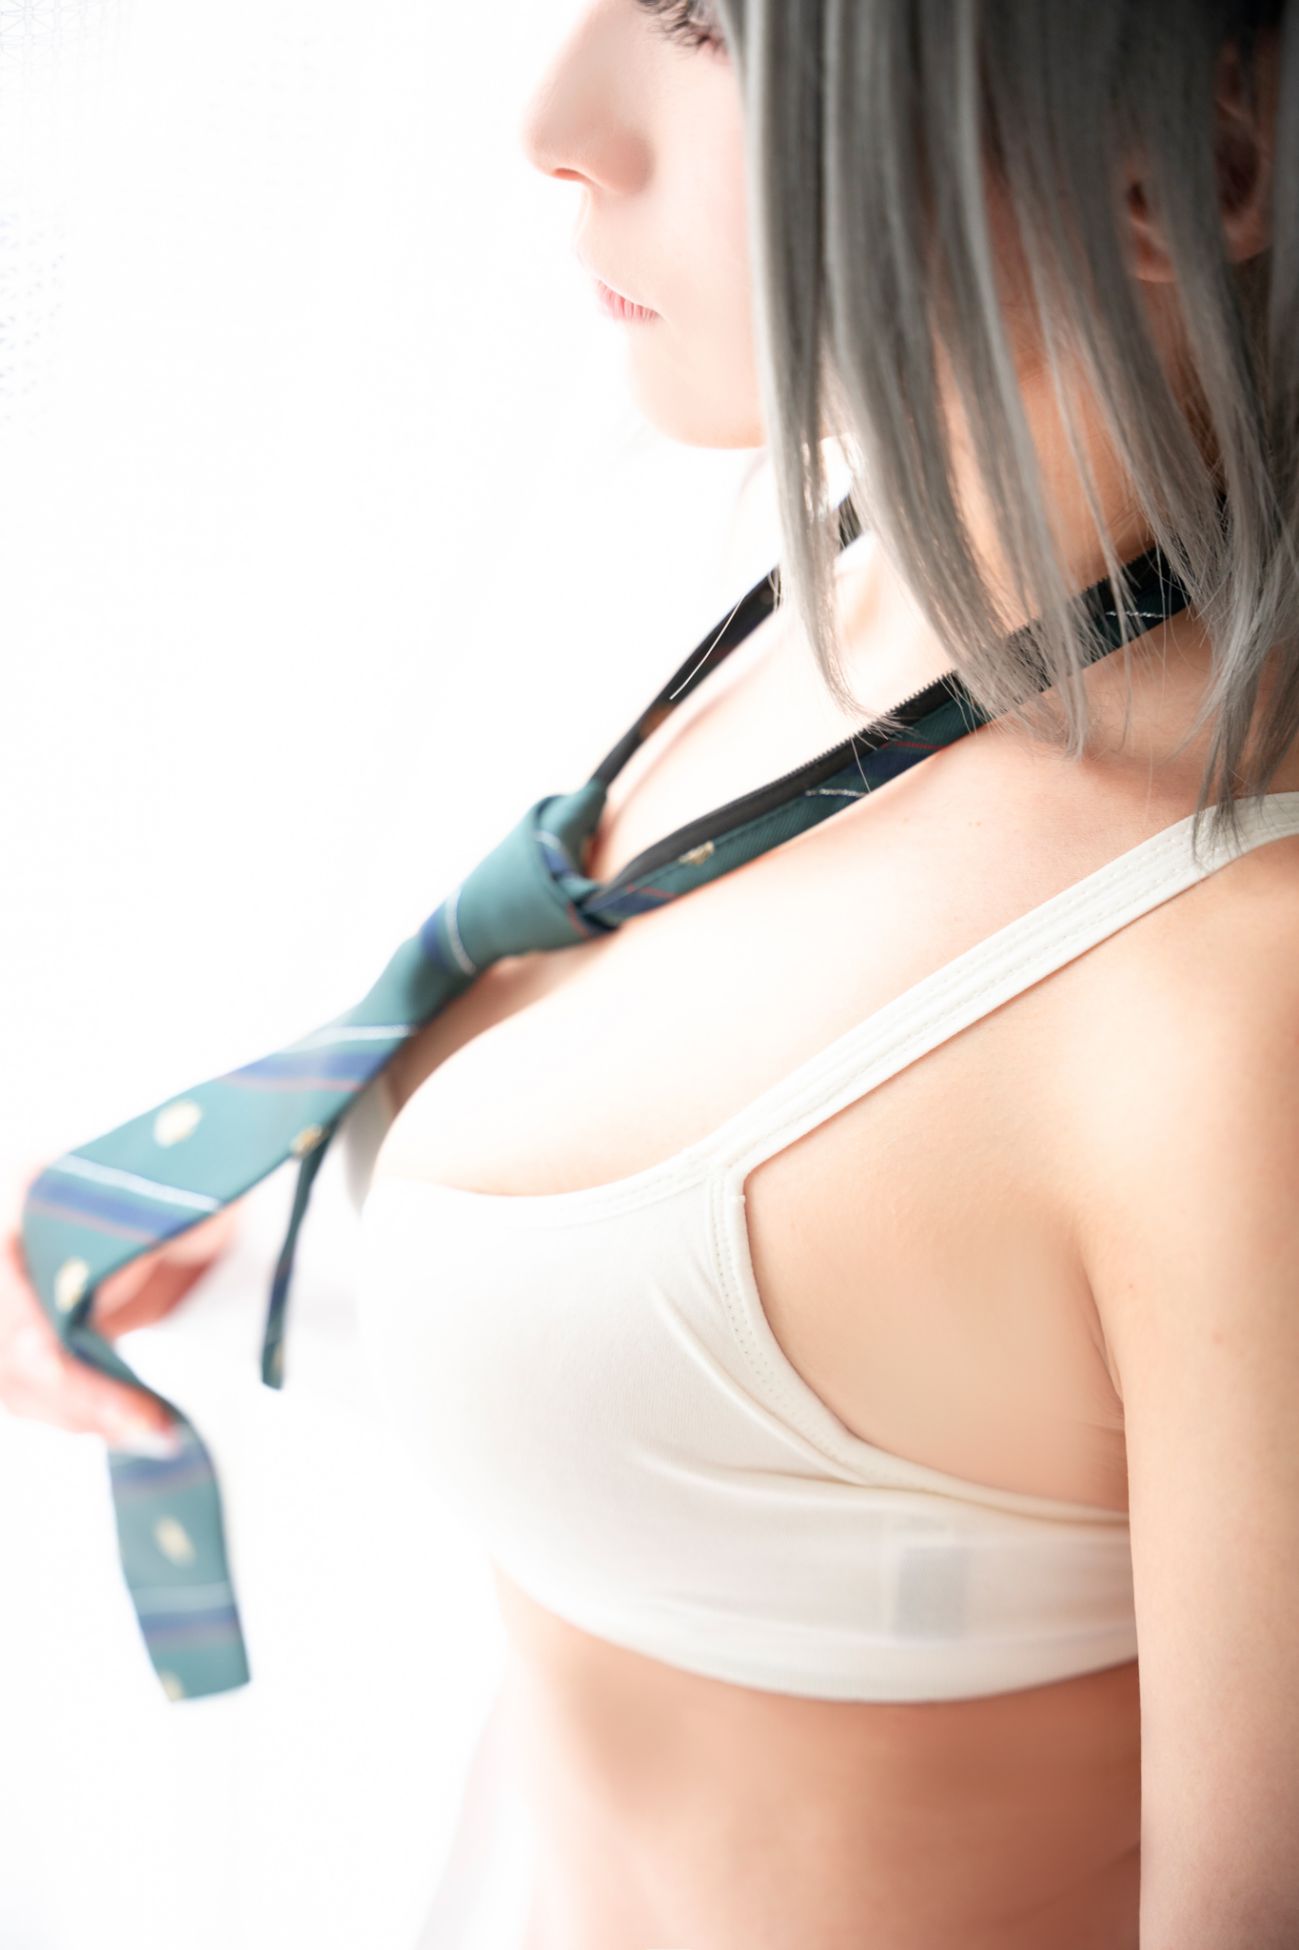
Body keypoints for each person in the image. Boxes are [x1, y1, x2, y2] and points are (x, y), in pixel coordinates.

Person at [5, 2, 1299, 1945]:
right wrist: (228, 1222)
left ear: (1198, 149)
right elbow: (816, 1324)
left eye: (718, 25)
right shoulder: (837, 575)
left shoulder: (1234, 996)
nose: (555, 118)